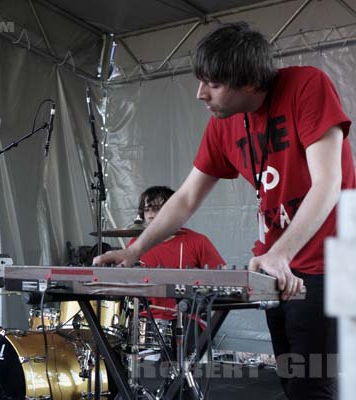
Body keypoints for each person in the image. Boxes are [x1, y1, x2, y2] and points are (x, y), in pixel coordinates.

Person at [95, 22, 354, 400]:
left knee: (311, 384)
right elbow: (184, 198)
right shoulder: (223, 124)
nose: (200, 94)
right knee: (291, 378)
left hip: (332, 261)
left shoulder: (307, 86)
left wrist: (280, 252)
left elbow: (328, 183)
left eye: (213, 84)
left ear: (249, 83)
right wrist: (134, 251)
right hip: (276, 269)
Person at [129, 186, 224, 322]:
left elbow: (223, 280)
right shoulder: (135, 245)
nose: (150, 215)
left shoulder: (198, 241)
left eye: (156, 209)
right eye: (147, 210)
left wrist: (192, 301)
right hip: (145, 320)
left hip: (188, 319)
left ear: (173, 210)